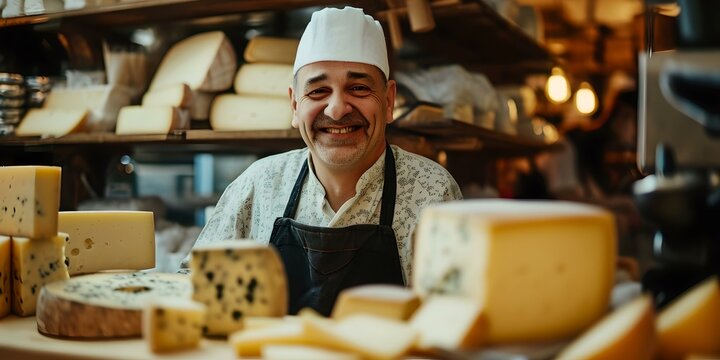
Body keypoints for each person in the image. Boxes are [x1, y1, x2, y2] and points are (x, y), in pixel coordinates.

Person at [183, 6, 462, 316]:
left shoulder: (433, 192)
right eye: (318, 91)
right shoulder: (258, 184)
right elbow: (192, 292)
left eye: (358, 88)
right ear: (294, 104)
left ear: (388, 101)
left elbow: (454, 320)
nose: (337, 109)